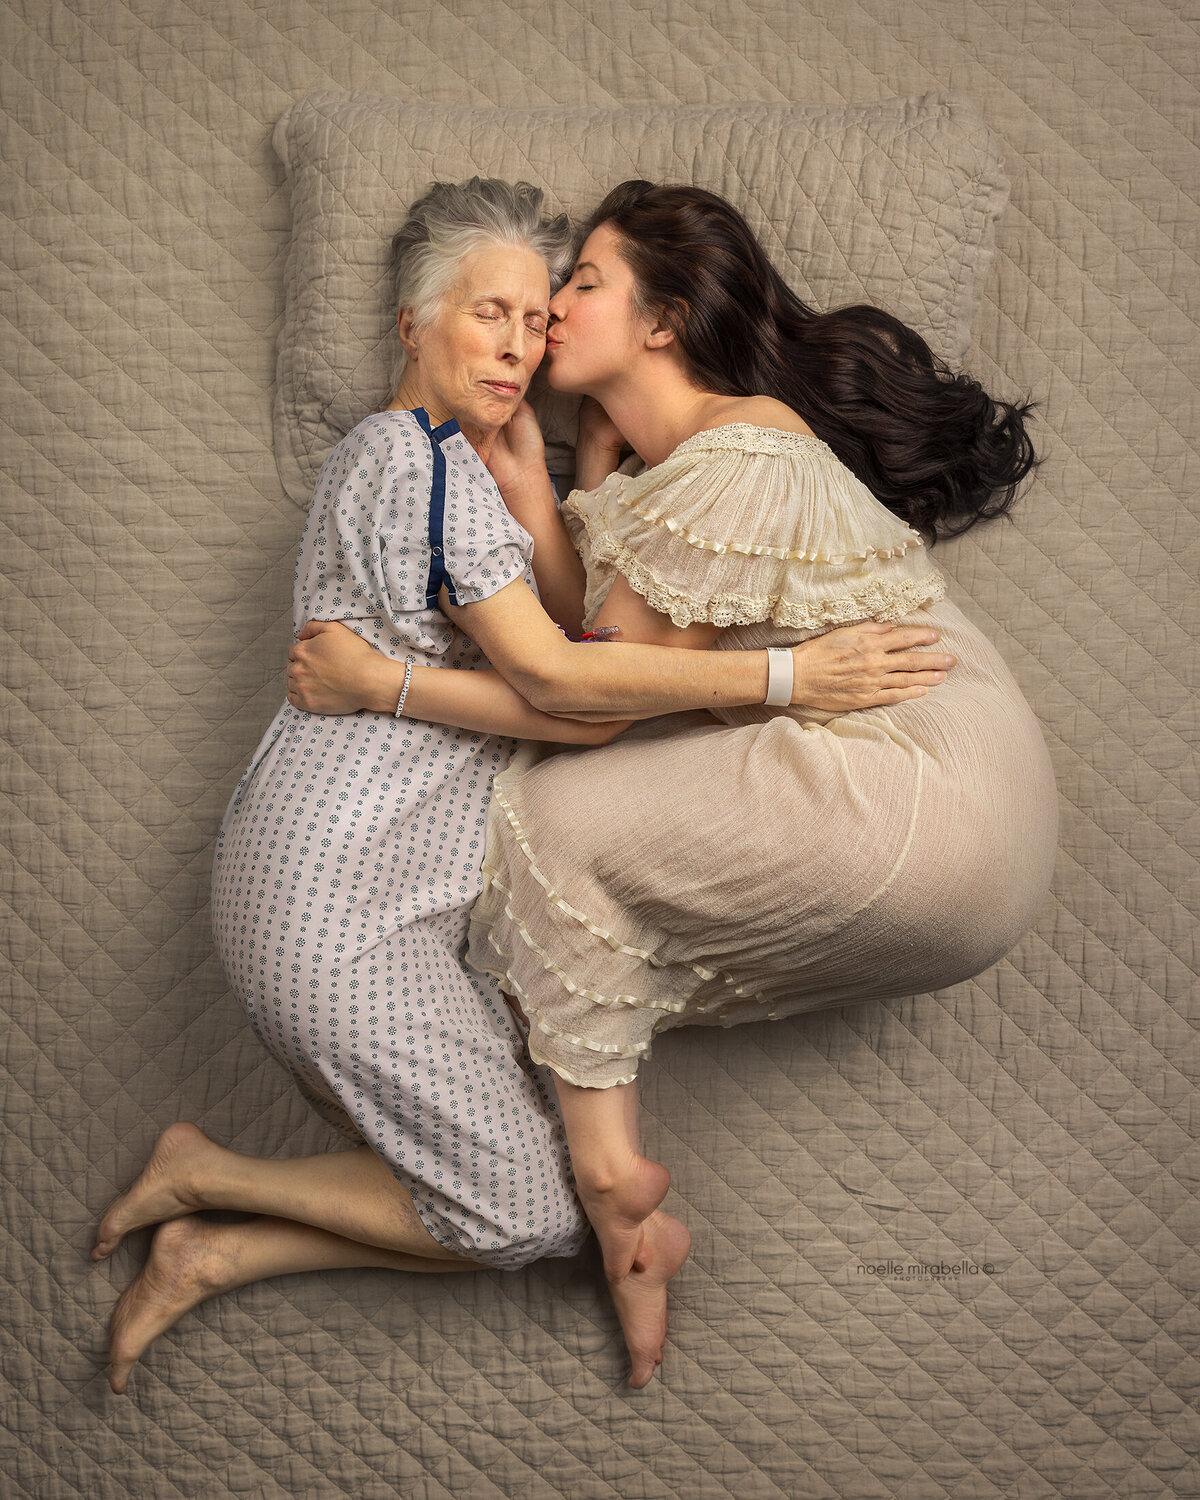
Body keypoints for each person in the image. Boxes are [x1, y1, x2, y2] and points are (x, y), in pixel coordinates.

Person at [92, 178, 951, 1394]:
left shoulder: (425, 461)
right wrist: (789, 674)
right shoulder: (421, 468)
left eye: (538, 320)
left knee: (513, 1202)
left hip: (324, 888)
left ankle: (212, 1249)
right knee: (531, 1216)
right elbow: (568, 692)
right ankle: (208, 1179)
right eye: (487, 314)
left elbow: (574, 651)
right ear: (411, 325)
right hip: (332, 909)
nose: (518, 346)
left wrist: (559, 493)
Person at [288, 181, 1057, 1387]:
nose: (544, 323)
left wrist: (379, 682)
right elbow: (602, 660)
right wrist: (561, 497)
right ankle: (623, 1222)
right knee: (569, 870)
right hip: (954, 853)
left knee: (545, 816)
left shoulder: (737, 444)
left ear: (660, 320)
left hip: (926, 784)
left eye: (577, 287)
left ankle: (606, 1192)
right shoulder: (666, 475)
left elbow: (583, 696)